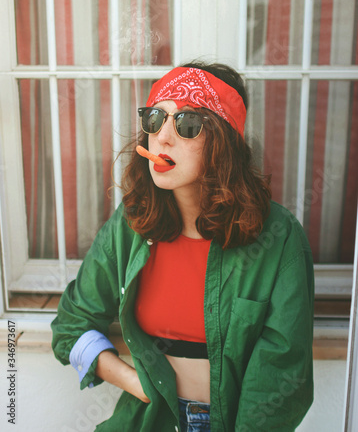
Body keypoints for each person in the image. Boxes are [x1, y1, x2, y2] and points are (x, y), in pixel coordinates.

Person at [51, 62, 314, 432]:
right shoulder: (131, 224)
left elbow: (283, 374)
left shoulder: (277, 236)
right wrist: (138, 384)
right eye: (155, 119)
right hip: (149, 420)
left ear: (223, 142)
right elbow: (71, 327)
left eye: (187, 124)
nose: (163, 138)